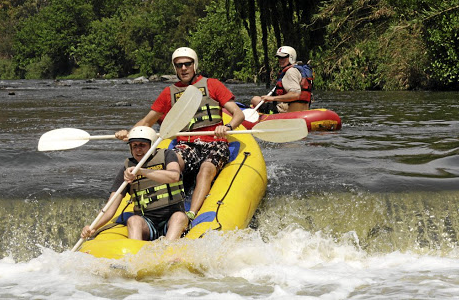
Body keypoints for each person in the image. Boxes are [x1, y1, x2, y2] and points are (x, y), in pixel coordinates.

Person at [115, 47, 245, 222]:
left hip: (215, 142)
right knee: (171, 163)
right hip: (187, 144)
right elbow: (146, 122)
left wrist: (227, 127)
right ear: (174, 68)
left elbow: (239, 114)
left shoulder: (212, 85)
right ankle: (159, 209)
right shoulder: (169, 93)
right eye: (179, 65)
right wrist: (130, 133)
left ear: (194, 65)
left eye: (187, 64)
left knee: (206, 169)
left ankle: (191, 214)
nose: (183, 68)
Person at [81, 126, 188, 241]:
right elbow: (110, 207)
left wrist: (141, 171)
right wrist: (92, 227)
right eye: (134, 146)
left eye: (142, 145)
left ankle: (168, 252)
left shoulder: (167, 155)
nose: (138, 150)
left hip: (172, 218)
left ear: (151, 145)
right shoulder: (126, 169)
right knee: (133, 220)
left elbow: (174, 176)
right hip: (148, 222)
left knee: (179, 217)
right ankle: (136, 256)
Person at [251, 46, 312, 113]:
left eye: (283, 57)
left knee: (255, 100)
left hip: (287, 110)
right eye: (279, 58)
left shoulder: (290, 72)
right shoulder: (298, 70)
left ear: (291, 57)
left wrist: (272, 98)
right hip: (303, 108)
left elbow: (295, 94)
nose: (280, 60)